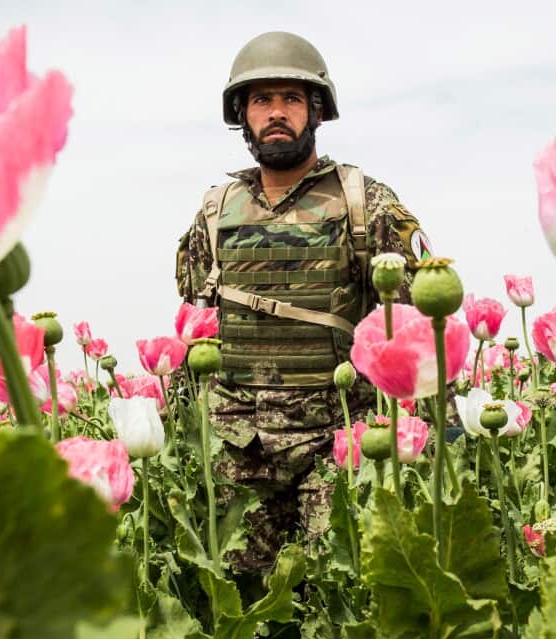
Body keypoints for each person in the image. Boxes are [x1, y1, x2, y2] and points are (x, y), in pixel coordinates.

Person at [175, 31, 431, 572]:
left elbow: (420, 328)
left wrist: (440, 430)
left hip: (338, 443)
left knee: (341, 588)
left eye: (291, 98)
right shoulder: (215, 213)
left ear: (316, 111)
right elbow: (195, 330)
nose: (276, 112)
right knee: (242, 604)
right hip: (238, 450)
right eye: (261, 100)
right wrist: (179, 426)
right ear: (241, 115)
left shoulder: (364, 203)